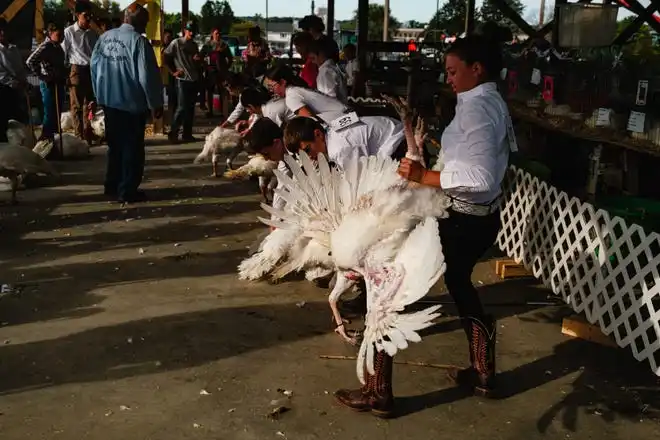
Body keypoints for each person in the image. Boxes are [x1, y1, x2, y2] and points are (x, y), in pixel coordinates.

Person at [334, 34, 512, 417]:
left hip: (460, 219)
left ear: (476, 68)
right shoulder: (491, 101)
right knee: (461, 282)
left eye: (452, 70)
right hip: (479, 219)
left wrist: (422, 176)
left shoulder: (478, 109)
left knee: (383, 287)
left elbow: (480, 177)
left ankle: (378, 392)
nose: (447, 78)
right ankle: (483, 372)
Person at [90, 3, 163, 203]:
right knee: (132, 148)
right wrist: (155, 103)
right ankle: (127, 189)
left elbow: (94, 68)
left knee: (114, 147)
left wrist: (99, 95)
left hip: (110, 103)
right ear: (140, 22)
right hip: (131, 105)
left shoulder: (104, 38)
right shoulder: (139, 42)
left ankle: (111, 185)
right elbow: (147, 77)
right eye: (146, 22)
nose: (146, 27)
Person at [61, 1, 98, 145]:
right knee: (76, 106)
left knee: (89, 105)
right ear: (77, 15)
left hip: (90, 70)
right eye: (85, 15)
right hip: (76, 69)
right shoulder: (69, 32)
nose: (88, 18)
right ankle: (78, 136)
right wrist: (66, 73)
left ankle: (88, 135)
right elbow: (64, 53)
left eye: (90, 16)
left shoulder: (92, 34)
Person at [263, 64, 349, 125]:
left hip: (343, 121)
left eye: (272, 86)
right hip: (345, 116)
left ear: (282, 82)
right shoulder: (296, 89)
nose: (271, 91)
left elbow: (311, 122)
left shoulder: (291, 96)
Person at [26, 22, 66, 142]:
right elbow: (30, 61)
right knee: (49, 112)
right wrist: (42, 75)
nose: (61, 37)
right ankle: (45, 139)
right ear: (50, 33)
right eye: (59, 34)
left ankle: (52, 140)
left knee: (57, 113)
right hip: (49, 84)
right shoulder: (45, 46)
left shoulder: (58, 47)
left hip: (59, 83)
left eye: (62, 34)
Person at [163, 20, 202, 143]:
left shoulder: (194, 45)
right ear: (185, 30)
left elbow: (197, 62)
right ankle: (173, 132)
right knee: (182, 108)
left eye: (193, 31)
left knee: (190, 108)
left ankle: (187, 134)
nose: (191, 33)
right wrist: (173, 72)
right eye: (190, 30)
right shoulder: (176, 43)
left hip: (193, 78)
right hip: (182, 80)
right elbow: (165, 56)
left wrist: (198, 60)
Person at [200, 28, 233, 118]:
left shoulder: (224, 45)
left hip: (221, 71)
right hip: (210, 70)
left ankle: (224, 112)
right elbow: (201, 56)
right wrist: (205, 66)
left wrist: (226, 68)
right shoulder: (207, 45)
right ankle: (210, 111)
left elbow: (230, 58)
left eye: (219, 33)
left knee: (222, 90)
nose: (218, 35)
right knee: (209, 90)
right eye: (216, 33)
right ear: (212, 34)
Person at [308, 39, 347, 103]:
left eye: (313, 58)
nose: (313, 62)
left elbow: (329, 101)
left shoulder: (325, 72)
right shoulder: (333, 68)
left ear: (321, 54)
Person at [161, 29, 177, 126]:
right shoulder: (161, 48)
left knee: (172, 100)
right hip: (163, 76)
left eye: (170, 38)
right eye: (167, 37)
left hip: (170, 77)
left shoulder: (173, 49)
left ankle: (172, 120)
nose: (169, 39)